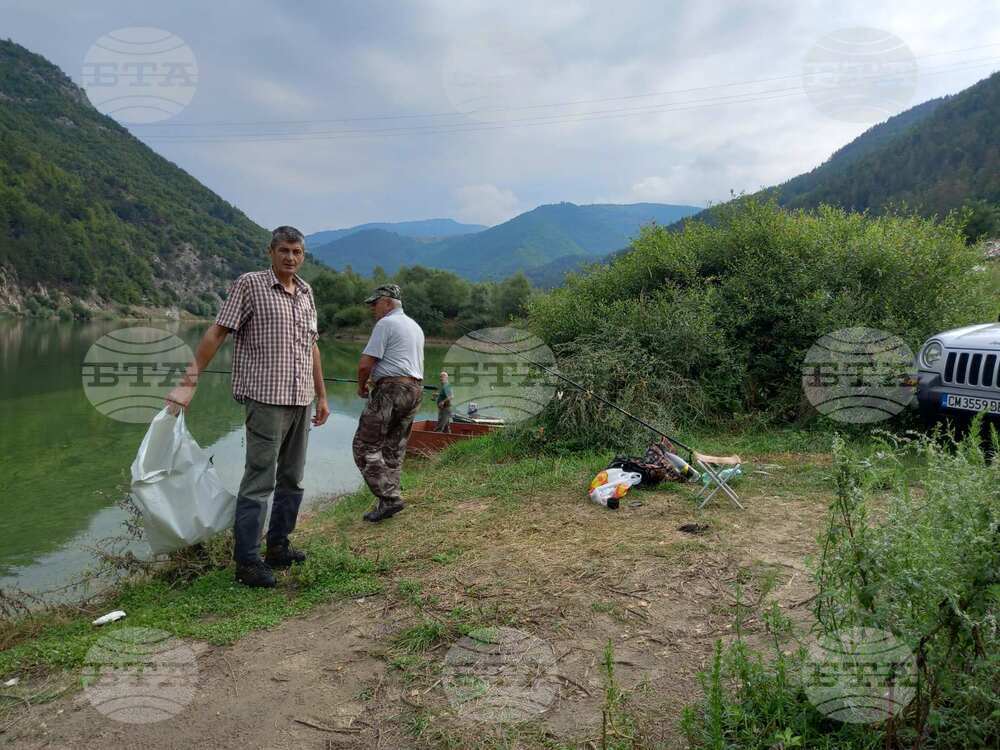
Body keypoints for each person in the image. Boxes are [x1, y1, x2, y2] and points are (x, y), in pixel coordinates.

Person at [165, 226, 330, 589]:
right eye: (284, 250)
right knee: (259, 480)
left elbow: (312, 347)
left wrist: (322, 395)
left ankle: (279, 546)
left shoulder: (306, 292)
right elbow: (217, 332)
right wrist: (188, 382)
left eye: (297, 251)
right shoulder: (250, 284)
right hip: (265, 398)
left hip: (301, 398)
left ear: (303, 256)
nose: (291, 257)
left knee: (293, 477)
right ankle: (247, 561)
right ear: (270, 252)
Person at [352, 284, 425, 522]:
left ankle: (391, 498)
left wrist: (361, 386)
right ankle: (388, 502)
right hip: (414, 390)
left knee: (364, 446)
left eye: (375, 304)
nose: (373, 309)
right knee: (394, 449)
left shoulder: (386, 324)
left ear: (387, 302)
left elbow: (365, 364)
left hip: (391, 390)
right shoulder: (415, 326)